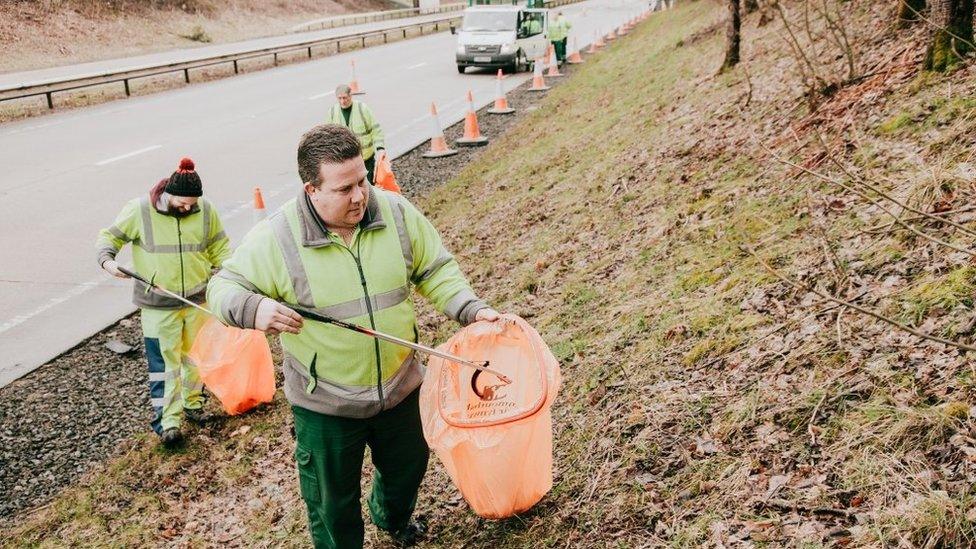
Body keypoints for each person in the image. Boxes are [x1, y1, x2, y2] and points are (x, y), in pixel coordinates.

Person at [207, 124, 499, 548]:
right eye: (345, 189)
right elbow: (222, 287)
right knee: (331, 504)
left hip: (400, 388)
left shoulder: (395, 213)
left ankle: (391, 516)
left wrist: (473, 311)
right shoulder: (278, 238)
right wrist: (254, 308)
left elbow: (435, 269)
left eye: (362, 180)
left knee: (407, 472)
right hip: (325, 403)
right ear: (312, 190)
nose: (360, 196)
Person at [96, 157, 231, 448]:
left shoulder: (205, 210)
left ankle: (193, 405)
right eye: (182, 203)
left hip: (197, 300)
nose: (187, 208)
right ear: (168, 195)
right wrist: (108, 263)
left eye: (191, 204)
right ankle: (168, 422)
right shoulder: (140, 210)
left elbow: (220, 248)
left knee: (196, 358)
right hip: (157, 306)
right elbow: (109, 238)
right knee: (164, 365)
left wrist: (231, 274)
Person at [327, 85, 386, 185]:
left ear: (351, 95)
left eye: (345, 97)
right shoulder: (332, 112)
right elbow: (329, 137)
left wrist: (380, 148)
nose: (342, 101)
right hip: (345, 160)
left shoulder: (362, 109)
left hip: (365, 159)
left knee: (367, 186)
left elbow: (375, 129)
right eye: (339, 98)